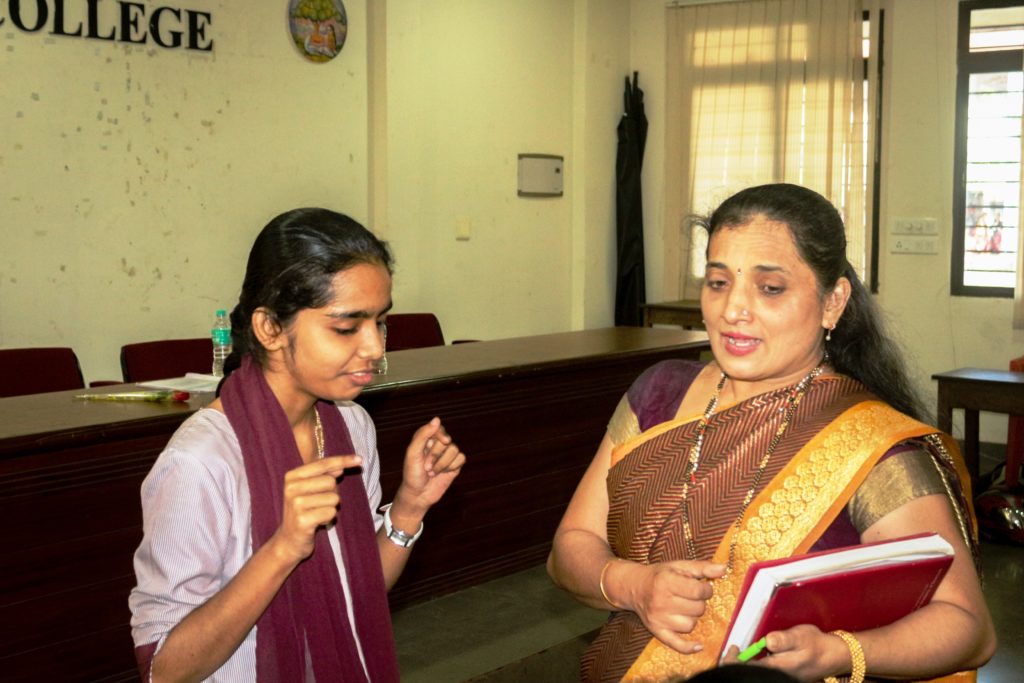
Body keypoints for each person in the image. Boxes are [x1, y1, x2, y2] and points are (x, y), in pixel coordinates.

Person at [547, 184, 996, 683]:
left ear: (833, 302)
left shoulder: (869, 443)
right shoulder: (659, 394)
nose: (733, 309)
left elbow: (969, 627)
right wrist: (633, 584)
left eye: (770, 288)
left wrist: (839, 652)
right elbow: (571, 544)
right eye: (718, 282)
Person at [129, 208, 466, 682]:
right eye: (347, 327)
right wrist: (282, 548)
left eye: (380, 323)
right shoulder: (201, 462)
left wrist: (409, 509)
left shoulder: (350, 425)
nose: (374, 348)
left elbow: (359, 593)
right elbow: (163, 669)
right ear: (269, 328)